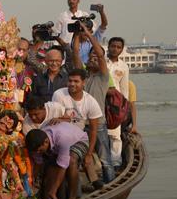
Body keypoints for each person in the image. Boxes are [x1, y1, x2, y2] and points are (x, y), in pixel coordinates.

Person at [72, 25, 115, 183]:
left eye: (96, 57)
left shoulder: (103, 76)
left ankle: (110, 185)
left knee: (105, 161)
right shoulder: (82, 75)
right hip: (81, 124)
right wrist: (77, 33)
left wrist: (89, 35)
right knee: (79, 157)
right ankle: (92, 183)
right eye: (91, 56)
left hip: (99, 124)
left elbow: (101, 56)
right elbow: (75, 52)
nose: (93, 58)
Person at [52, 69, 106, 188]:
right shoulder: (59, 94)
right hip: (59, 137)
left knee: (73, 158)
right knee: (68, 158)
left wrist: (89, 154)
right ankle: (78, 188)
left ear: (83, 83)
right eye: (70, 81)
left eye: (76, 81)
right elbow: (55, 119)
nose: (72, 84)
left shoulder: (90, 101)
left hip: (79, 138)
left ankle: (88, 182)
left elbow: (93, 130)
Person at [25, 123, 89, 199]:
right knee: (50, 168)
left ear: (46, 142)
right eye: (36, 151)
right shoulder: (36, 144)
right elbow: (38, 165)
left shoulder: (62, 138)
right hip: (57, 148)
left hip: (79, 140)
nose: (38, 152)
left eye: (40, 150)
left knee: (71, 161)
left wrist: (53, 191)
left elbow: (62, 167)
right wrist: (32, 184)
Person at [106, 36, 130, 165]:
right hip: (100, 100)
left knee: (115, 135)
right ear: (108, 47)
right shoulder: (101, 61)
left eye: (118, 47)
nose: (115, 49)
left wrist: (125, 110)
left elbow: (124, 89)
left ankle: (115, 163)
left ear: (121, 50)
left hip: (115, 104)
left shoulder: (124, 67)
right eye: (113, 46)